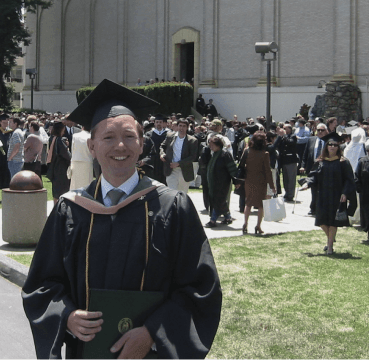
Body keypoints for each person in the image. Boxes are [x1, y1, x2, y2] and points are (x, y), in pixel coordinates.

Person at [22, 79, 221, 359]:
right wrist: (66, 315)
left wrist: (153, 333)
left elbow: (200, 289)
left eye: (129, 137)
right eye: (107, 137)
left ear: (142, 144)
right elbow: (42, 284)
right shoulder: (71, 210)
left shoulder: (172, 207)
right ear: (92, 147)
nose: (120, 146)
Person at [300, 132, 355, 255]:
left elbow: (349, 180)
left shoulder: (343, 162)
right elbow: (313, 175)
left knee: (333, 221)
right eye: (330, 144)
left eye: (335, 145)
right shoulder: (320, 161)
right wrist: (307, 184)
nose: (332, 147)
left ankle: (330, 247)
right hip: (322, 194)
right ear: (326, 146)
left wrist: (345, 193)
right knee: (321, 221)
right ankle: (331, 237)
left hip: (337, 195)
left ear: (338, 147)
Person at [241, 131, 275, 235]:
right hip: (261, 181)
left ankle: (245, 223)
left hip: (249, 180)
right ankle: (258, 226)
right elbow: (268, 171)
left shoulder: (247, 151)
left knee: (248, 203)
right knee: (260, 205)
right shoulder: (265, 154)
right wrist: (272, 186)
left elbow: (241, 165)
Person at [204, 136, 238, 227]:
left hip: (223, 182)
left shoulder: (225, 155)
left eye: (212, 144)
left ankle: (213, 221)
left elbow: (232, 169)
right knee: (221, 201)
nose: (210, 146)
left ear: (218, 145)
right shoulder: (214, 154)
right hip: (214, 183)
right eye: (209, 144)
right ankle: (228, 217)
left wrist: (236, 181)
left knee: (218, 200)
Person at [160, 118, 199, 194]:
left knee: (182, 194)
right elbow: (162, 146)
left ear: (187, 127)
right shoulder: (170, 136)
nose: (181, 128)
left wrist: (178, 163)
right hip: (171, 170)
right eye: (180, 125)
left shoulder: (192, 140)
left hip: (184, 170)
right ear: (177, 126)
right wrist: (162, 154)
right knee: (171, 192)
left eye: (184, 126)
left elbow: (192, 157)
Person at [300, 123, 328, 215]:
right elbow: (305, 154)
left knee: (323, 189)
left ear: (326, 131)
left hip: (324, 169)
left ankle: (322, 208)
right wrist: (302, 166)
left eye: (322, 130)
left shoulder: (329, 142)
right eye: (318, 130)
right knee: (313, 189)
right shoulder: (311, 140)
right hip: (312, 168)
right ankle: (313, 208)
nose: (320, 132)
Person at [47, 121, 72, 204]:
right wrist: (67, 148)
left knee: (56, 191)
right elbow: (67, 156)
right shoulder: (60, 141)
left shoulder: (52, 138)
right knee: (61, 192)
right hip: (61, 169)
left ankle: (55, 208)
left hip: (54, 168)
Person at [69, 125, 93, 190]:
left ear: (82, 127)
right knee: (87, 184)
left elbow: (72, 149)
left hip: (76, 161)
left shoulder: (75, 136)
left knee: (75, 184)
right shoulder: (91, 137)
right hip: (87, 161)